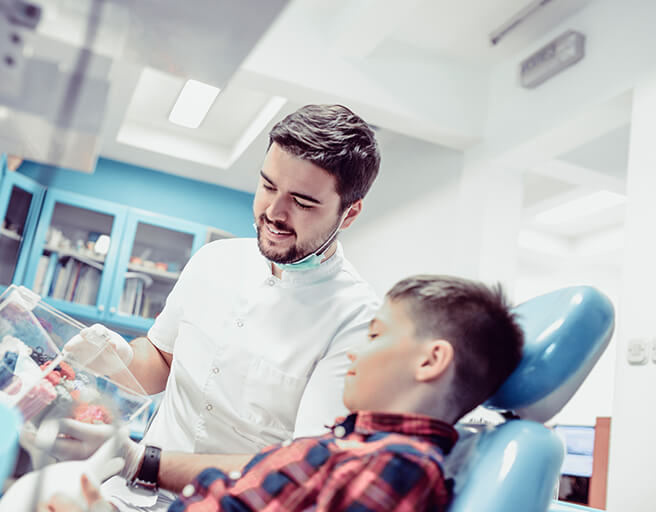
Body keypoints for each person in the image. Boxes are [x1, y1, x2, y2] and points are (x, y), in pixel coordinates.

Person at [54, 104, 383, 508]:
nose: (274, 213)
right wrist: (116, 357)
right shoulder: (215, 260)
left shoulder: (357, 319)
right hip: (131, 495)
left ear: (349, 213)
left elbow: (300, 469)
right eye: (267, 186)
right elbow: (159, 363)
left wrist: (140, 460)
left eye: (302, 201)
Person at [40, 274, 524, 512]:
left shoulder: (401, 466)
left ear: (430, 360)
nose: (356, 355)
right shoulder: (349, 446)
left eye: (376, 336)